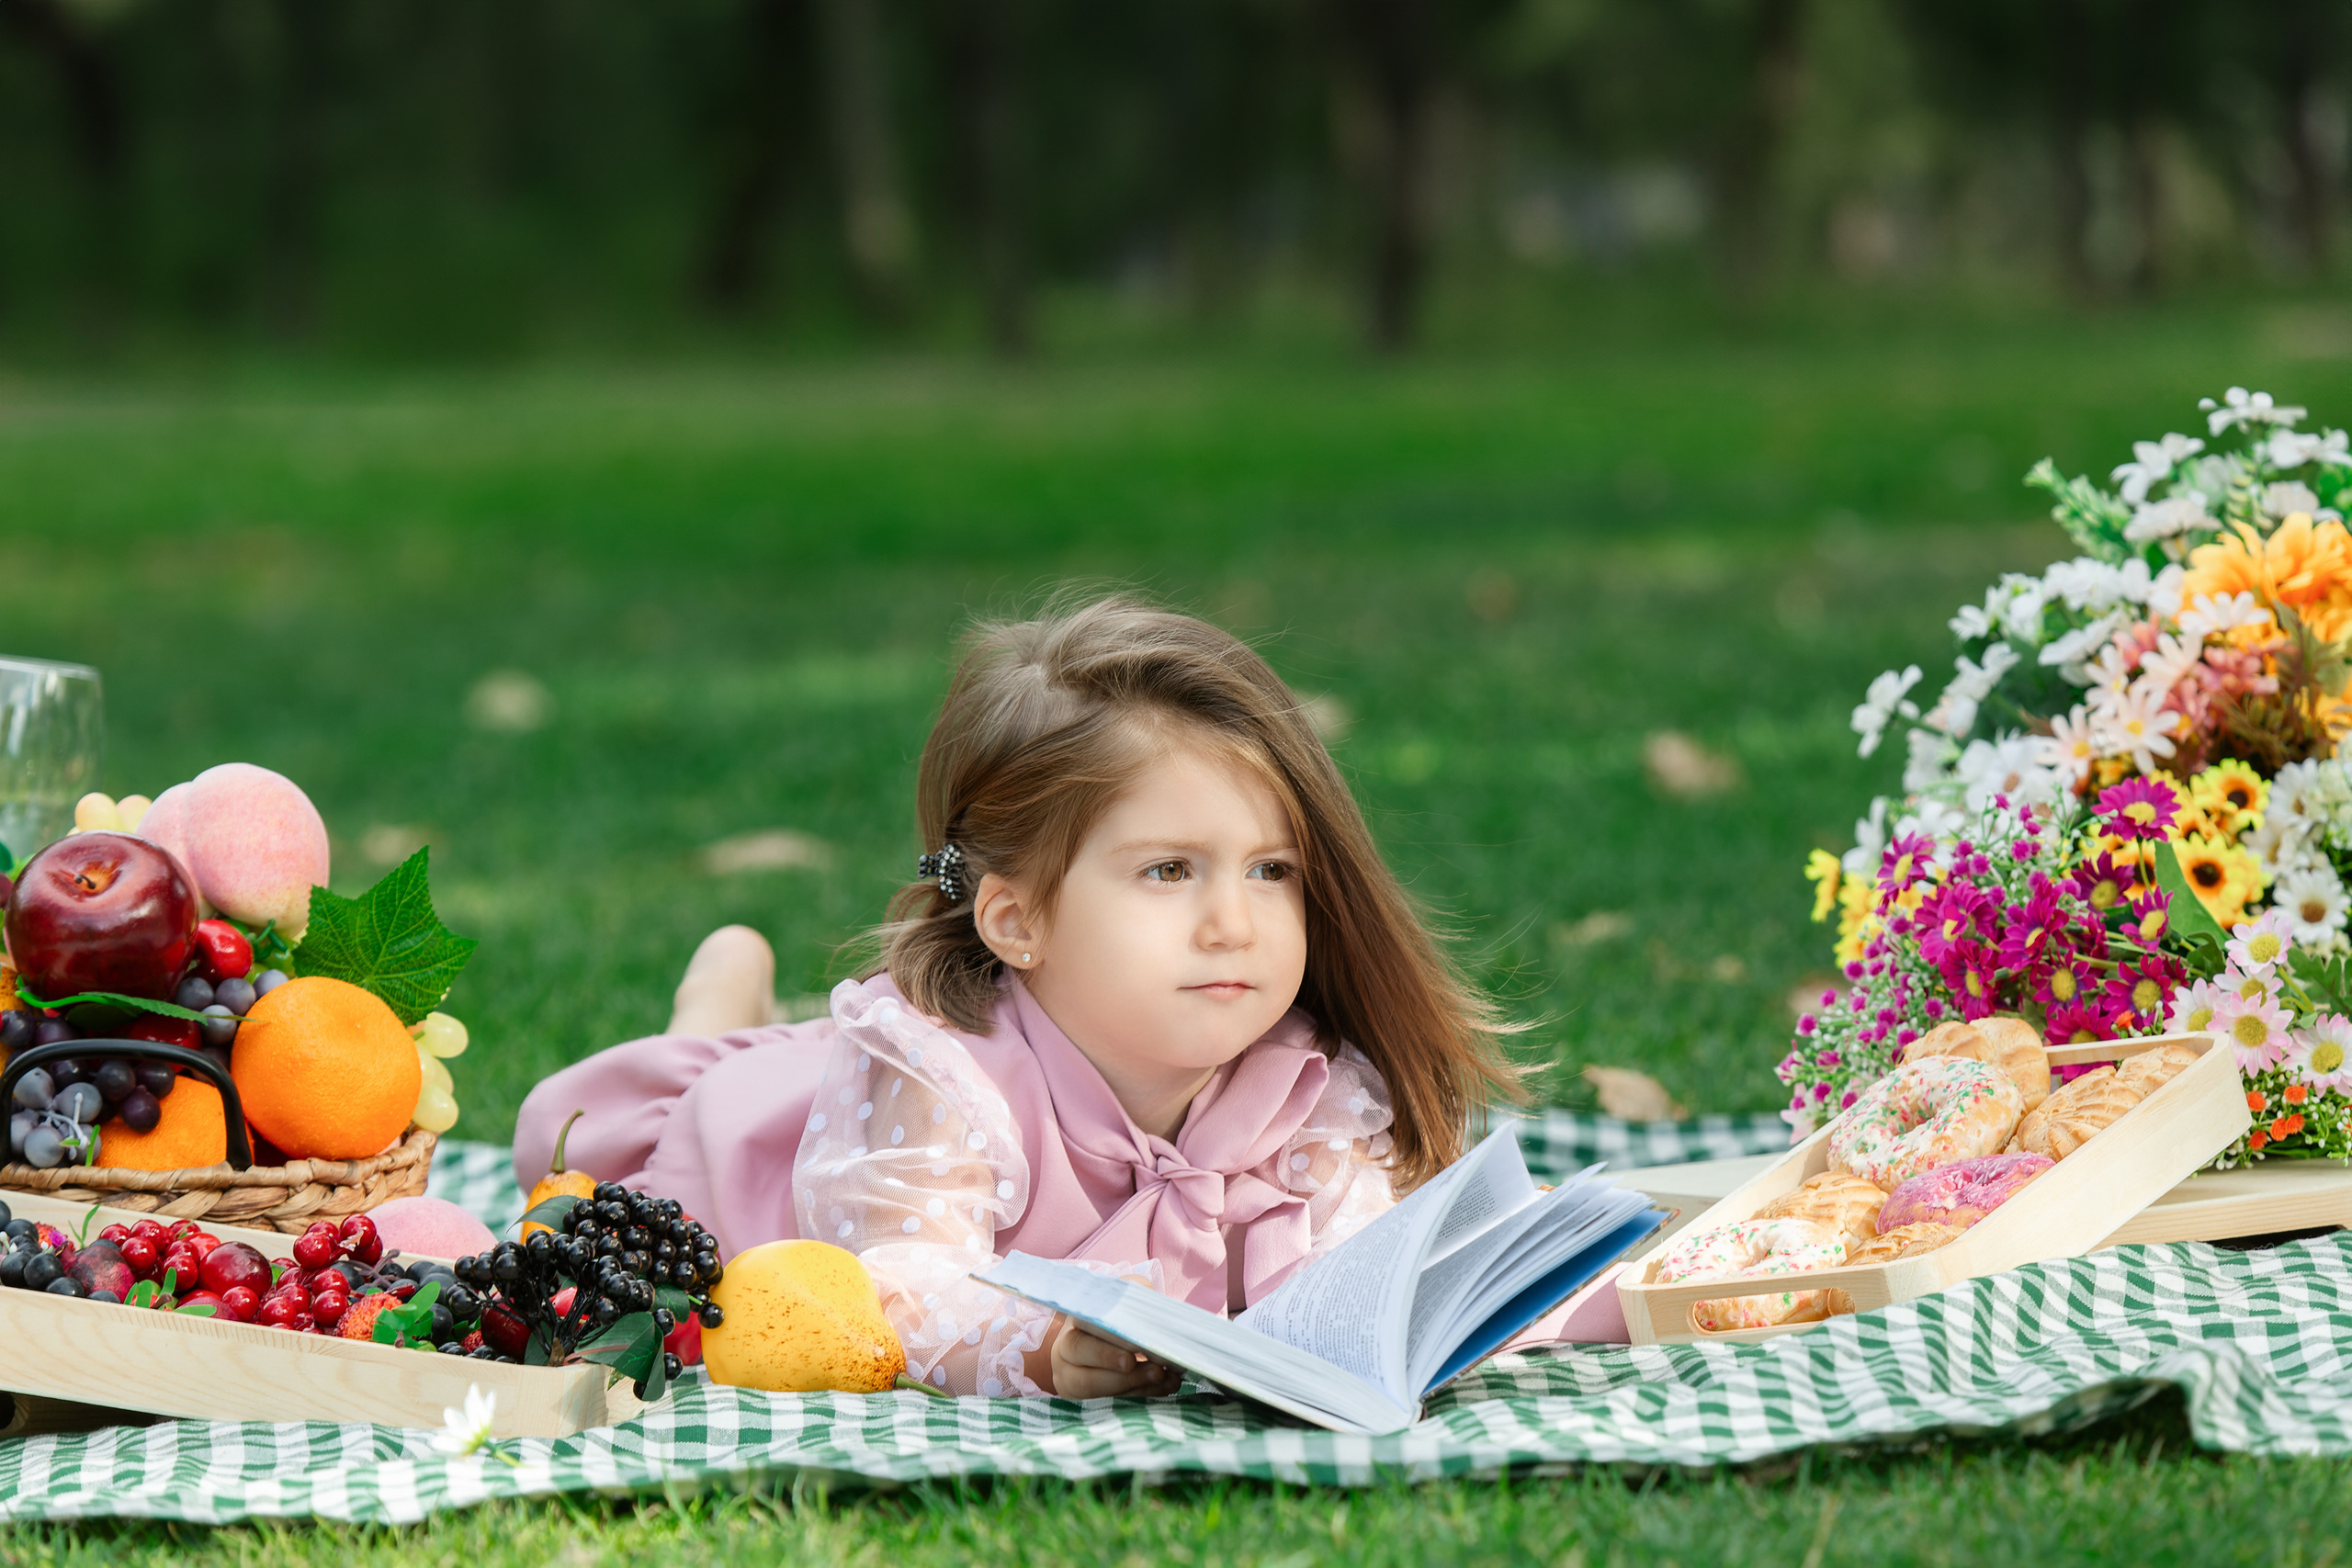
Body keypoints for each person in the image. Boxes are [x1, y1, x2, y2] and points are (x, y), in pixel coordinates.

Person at [514, 595, 1520, 1398]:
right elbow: (900, 1285)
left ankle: (742, 1009)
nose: (1234, 924)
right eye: (1169, 871)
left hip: (876, 1090)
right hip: (777, 1168)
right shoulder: (938, 1078)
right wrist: (1036, 1349)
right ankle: (714, 1014)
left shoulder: (1305, 1080)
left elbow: (1361, 1275)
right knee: (665, 1118)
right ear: (1017, 920)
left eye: (1269, 870)